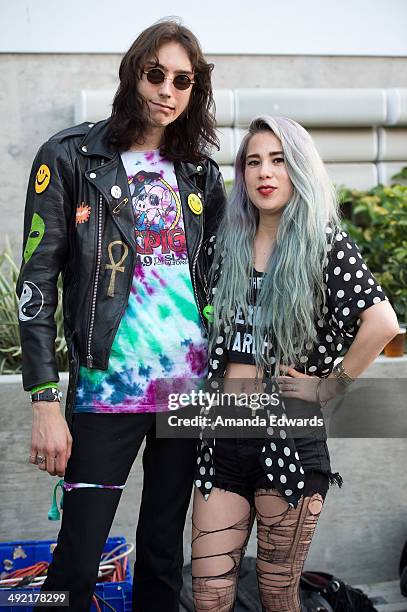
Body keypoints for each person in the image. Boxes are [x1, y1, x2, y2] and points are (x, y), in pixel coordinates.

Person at [16, 19, 226, 611]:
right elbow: (36, 282)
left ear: (195, 91)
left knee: (163, 555)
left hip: (188, 395)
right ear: (133, 72)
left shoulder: (200, 174)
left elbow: (215, 284)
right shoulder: (70, 156)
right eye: (154, 73)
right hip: (108, 391)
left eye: (182, 81)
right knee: (75, 559)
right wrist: (43, 402)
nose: (167, 90)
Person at [191, 115, 399, 612]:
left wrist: (330, 386)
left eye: (279, 161)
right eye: (254, 162)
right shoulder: (227, 242)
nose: (265, 172)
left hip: (289, 444)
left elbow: (383, 322)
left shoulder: (324, 245)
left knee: (278, 595)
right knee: (208, 595)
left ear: (299, 169)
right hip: (223, 437)